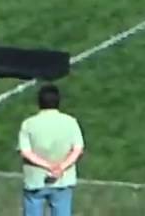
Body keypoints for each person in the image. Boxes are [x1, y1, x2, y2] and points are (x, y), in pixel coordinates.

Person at [18, 84, 85, 216]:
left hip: (35, 181)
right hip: (62, 181)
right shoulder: (70, 122)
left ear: (39, 102)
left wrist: (48, 166)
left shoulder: (28, 124)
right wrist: (60, 168)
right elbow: (78, 149)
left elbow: (26, 152)